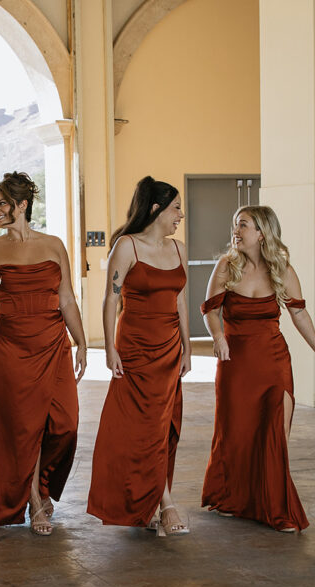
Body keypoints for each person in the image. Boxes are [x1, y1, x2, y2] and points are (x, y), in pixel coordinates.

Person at [201, 205, 315, 532]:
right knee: (236, 433)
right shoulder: (225, 267)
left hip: (274, 361)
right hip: (236, 363)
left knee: (275, 434)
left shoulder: (282, 269)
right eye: (235, 224)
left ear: (261, 232)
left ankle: (276, 508)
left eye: (242, 225)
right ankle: (232, 498)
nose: (236, 230)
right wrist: (218, 337)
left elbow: (298, 313)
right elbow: (209, 310)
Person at [0, 171, 87, 535]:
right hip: (10, 345)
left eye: (3, 203)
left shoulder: (54, 245)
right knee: (24, 427)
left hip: (53, 343)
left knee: (65, 423)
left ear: (23, 205)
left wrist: (82, 340)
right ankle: (36, 499)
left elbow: (67, 297)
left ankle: (40, 485)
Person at [86, 177, 192, 536]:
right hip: (135, 350)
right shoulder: (126, 246)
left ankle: (155, 501)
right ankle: (165, 505)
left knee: (163, 426)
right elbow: (110, 299)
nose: (181, 214)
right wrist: (110, 350)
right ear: (156, 209)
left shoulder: (178, 250)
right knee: (140, 429)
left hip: (169, 348)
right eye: (176, 207)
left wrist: (188, 347)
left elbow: (180, 300)